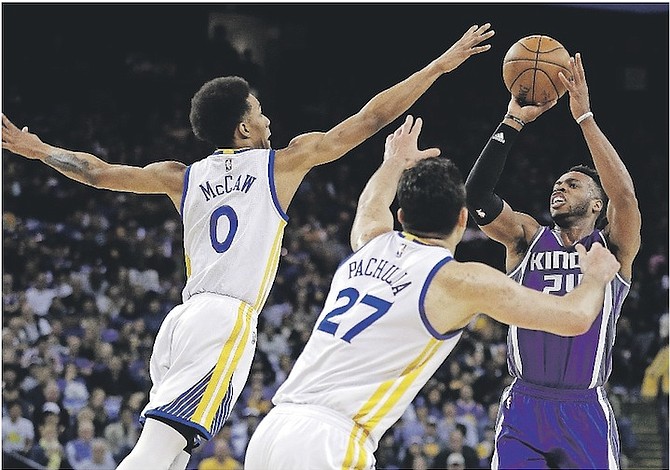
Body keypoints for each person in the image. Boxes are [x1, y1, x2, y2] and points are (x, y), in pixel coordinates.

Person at [1, 23, 494, 470]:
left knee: (171, 456)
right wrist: (440, 65)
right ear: (243, 129)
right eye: (258, 113)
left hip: (181, 322)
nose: (267, 120)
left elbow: (98, 173)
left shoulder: (180, 176)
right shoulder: (280, 166)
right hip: (225, 320)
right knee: (153, 454)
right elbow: (369, 120)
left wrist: (38, 149)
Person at [244, 115, 621, 470]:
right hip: (330, 440)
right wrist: (596, 276)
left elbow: (372, 205)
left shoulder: (370, 241)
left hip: (274, 427)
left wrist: (393, 162)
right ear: (462, 220)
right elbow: (574, 319)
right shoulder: (459, 281)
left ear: (402, 216)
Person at [464, 53, 641, 469]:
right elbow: (476, 200)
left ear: (597, 203)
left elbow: (626, 198)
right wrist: (512, 122)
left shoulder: (612, 249)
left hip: (585, 407)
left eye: (573, 184)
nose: (559, 187)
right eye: (558, 183)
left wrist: (585, 118)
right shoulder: (527, 238)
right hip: (525, 403)